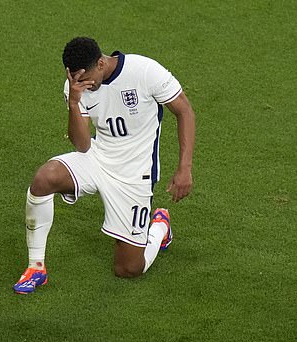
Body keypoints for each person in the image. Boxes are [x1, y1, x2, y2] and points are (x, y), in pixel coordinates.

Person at [14, 37, 195, 293]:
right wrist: (74, 103)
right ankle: (36, 267)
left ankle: (159, 227)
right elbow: (82, 145)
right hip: (97, 157)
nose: (83, 85)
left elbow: (184, 111)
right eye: (76, 80)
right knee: (45, 178)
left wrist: (184, 168)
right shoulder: (76, 86)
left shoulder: (145, 71)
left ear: (101, 63)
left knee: (128, 269)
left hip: (134, 174)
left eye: (86, 79)